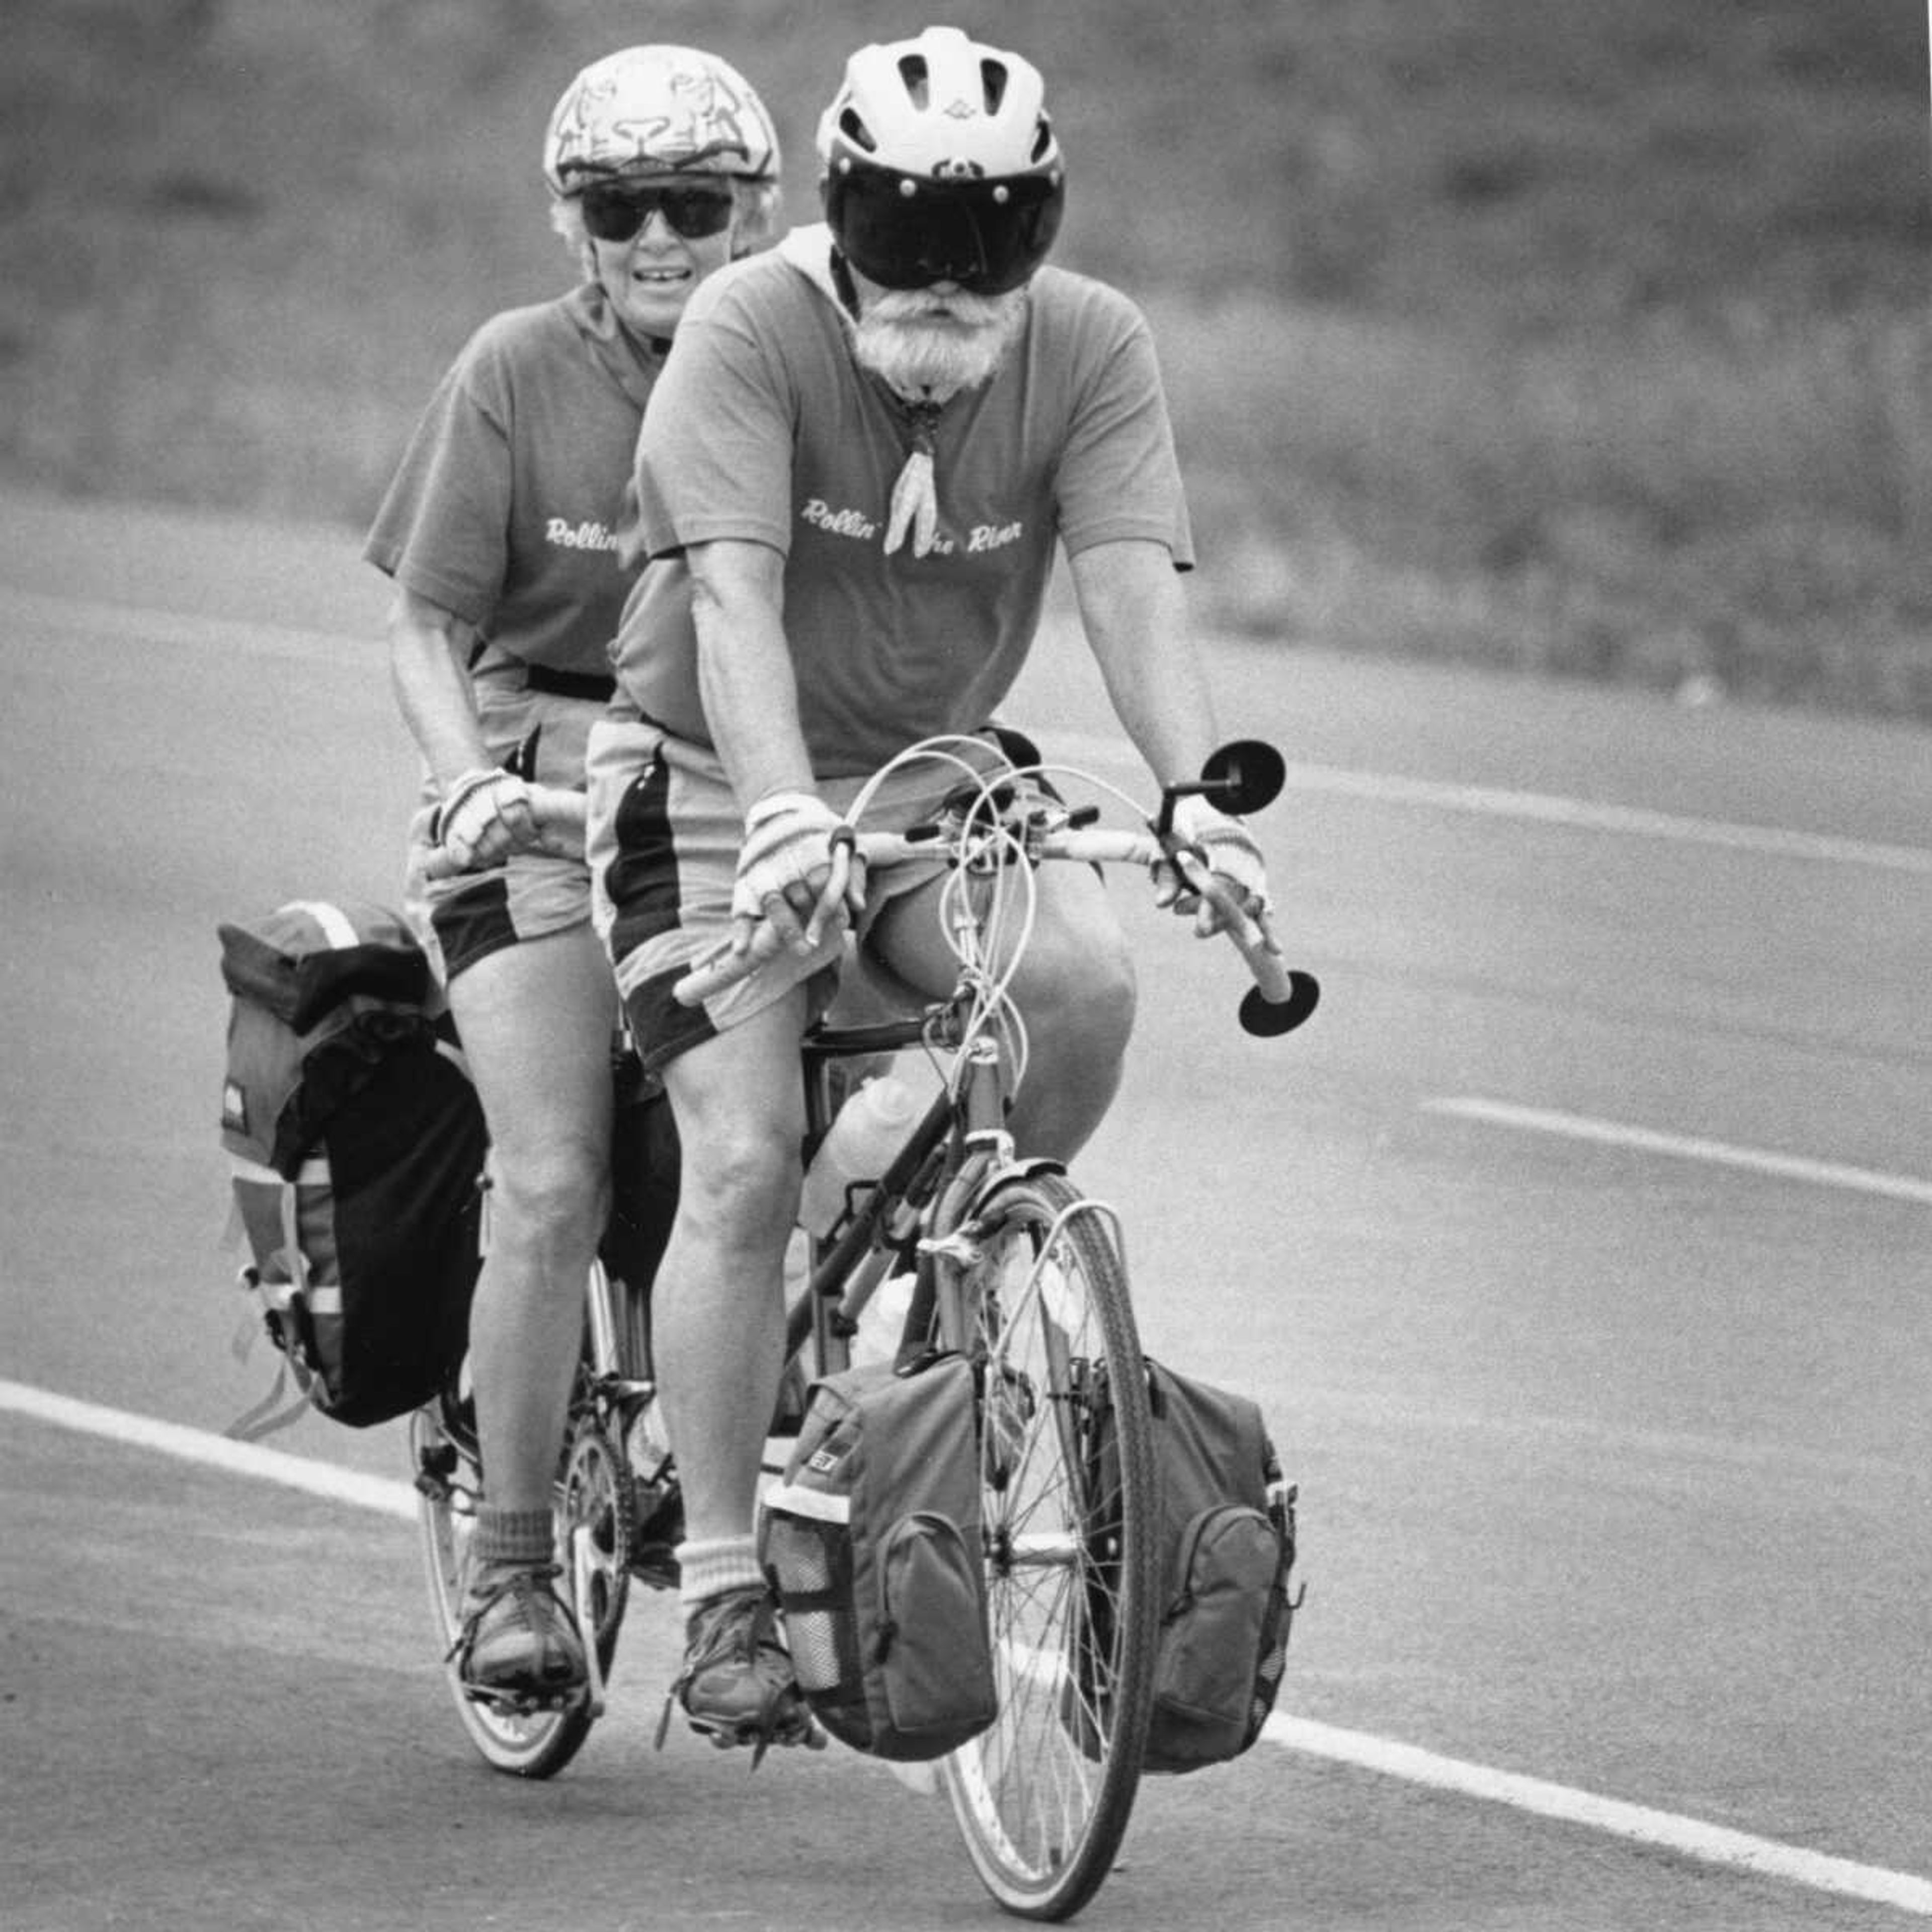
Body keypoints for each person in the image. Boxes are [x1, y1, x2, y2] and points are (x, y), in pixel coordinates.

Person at [584, 24, 1273, 1751]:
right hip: (703, 777)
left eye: (988, 248)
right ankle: (732, 1587)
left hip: (933, 775)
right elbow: (730, 600)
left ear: (1038, 235)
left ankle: (928, 1247)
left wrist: (1200, 801)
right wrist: (782, 819)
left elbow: (1128, 590)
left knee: (1081, 982)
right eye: (904, 238)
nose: (944, 286)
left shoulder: (1096, 344)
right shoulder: (751, 326)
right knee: (737, 1161)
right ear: (842, 214)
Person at [362, 44, 783, 1702]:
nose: (663, 239)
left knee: (780, 1160)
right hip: (533, 791)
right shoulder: (516, 369)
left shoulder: (793, 360)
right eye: (625, 208)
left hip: (714, 786)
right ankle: (515, 1566)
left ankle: (750, 1483)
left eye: (697, 202)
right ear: (574, 223)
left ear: (762, 209)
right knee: (550, 1175)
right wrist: (464, 780)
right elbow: (421, 620)